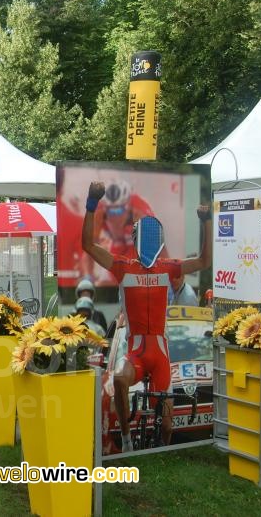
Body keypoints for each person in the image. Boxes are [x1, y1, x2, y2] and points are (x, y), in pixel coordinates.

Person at [82, 181, 211, 452]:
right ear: (136, 239)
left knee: (166, 425)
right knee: (118, 378)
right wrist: (92, 204)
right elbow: (88, 245)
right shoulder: (123, 267)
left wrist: (206, 222)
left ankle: (160, 453)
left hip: (161, 356)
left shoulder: (168, 267)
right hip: (136, 353)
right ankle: (127, 439)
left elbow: (203, 261)